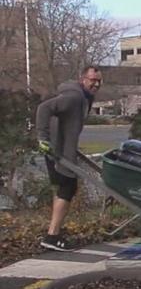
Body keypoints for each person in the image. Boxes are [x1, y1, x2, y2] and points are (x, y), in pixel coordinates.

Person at [34, 66, 103, 251]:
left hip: (63, 149)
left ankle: (53, 233)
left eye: (98, 81)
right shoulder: (74, 97)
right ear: (82, 79)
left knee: (64, 189)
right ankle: (52, 235)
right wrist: (43, 138)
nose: (95, 84)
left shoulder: (85, 97)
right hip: (56, 150)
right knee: (67, 188)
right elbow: (44, 108)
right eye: (92, 80)